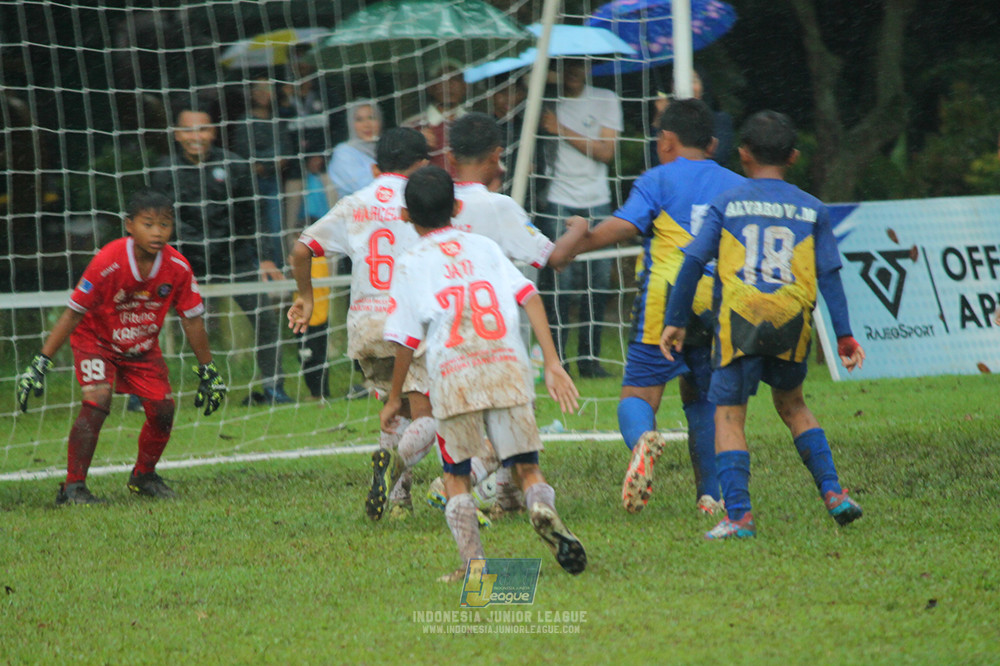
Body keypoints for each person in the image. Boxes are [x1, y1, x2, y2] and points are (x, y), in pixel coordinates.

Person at [660, 110, 866, 539]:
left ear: (743, 154)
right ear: (793, 156)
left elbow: (694, 261)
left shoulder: (728, 203)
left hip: (739, 319)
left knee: (730, 416)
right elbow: (829, 275)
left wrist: (676, 320)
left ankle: (739, 516)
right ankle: (835, 494)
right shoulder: (812, 209)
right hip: (792, 318)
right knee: (793, 406)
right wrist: (844, 335)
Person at [379, 165, 586, 581]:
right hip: (508, 364)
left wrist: (394, 396)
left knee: (455, 476)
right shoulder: (484, 247)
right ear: (457, 207)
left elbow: (403, 340)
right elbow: (529, 296)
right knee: (527, 467)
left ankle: (473, 567)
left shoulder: (410, 263)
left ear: (405, 217)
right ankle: (541, 506)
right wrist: (552, 362)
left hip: (454, 372)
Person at [551, 98, 745, 516]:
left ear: (667, 141)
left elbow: (623, 227)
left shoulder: (657, 179)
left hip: (665, 299)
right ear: (711, 143)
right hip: (717, 299)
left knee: (637, 396)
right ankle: (711, 495)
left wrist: (578, 241)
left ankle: (643, 439)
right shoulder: (733, 183)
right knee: (703, 402)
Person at [414, 111, 585, 514]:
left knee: (457, 425)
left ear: (450, 159)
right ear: (496, 156)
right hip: (502, 342)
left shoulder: (431, 205)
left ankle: (497, 493)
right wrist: (579, 228)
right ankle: (463, 482)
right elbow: (555, 258)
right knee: (509, 429)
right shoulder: (499, 208)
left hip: (447, 345)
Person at [15, 188, 227, 504]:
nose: (157, 232)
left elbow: (192, 319)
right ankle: (73, 487)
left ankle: (144, 476)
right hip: (96, 341)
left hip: (141, 347)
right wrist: (41, 362)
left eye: (165, 224)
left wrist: (208, 369)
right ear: (129, 225)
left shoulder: (177, 267)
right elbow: (74, 313)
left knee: (163, 410)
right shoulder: (109, 260)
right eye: (148, 223)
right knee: (98, 400)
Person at [287, 127, 434, 520]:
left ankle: (400, 502)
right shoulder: (424, 199)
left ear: (374, 167)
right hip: (409, 322)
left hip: (364, 324)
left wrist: (306, 297)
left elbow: (301, 249)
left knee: (393, 405)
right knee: (430, 417)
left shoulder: (355, 202)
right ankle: (394, 467)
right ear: (423, 166)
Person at [151, 102, 291, 405]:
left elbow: (254, 213)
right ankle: (142, 391)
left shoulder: (234, 165)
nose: (196, 136)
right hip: (185, 262)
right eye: (188, 129)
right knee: (149, 318)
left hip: (234, 258)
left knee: (264, 317)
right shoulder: (164, 170)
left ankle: (274, 387)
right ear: (177, 134)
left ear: (212, 132)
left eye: (202, 128)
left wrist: (265, 256)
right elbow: (157, 221)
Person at [537, 58, 623, 378]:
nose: (573, 73)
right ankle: (557, 361)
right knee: (562, 285)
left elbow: (605, 151)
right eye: (566, 67)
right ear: (556, 69)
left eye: (580, 66)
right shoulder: (543, 101)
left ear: (588, 68)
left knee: (597, 283)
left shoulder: (605, 99)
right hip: (557, 201)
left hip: (598, 202)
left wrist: (560, 128)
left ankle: (589, 360)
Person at [230, 74, 292, 267]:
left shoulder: (278, 120)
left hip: (274, 181)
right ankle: (259, 269)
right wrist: (259, 165)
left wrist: (270, 165)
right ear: (251, 93)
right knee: (256, 226)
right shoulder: (244, 121)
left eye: (268, 89)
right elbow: (242, 152)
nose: (264, 94)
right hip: (252, 183)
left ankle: (279, 268)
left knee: (276, 227)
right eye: (260, 89)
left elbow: (286, 149)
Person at [647, 69, 735, 170]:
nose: (687, 86)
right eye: (678, 81)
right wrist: (659, 119)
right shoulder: (668, 124)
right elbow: (653, 161)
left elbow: (720, 156)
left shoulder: (720, 119)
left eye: (693, 81)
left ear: (703, 85)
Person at [403, 58, 468, 174]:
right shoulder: (412, 126)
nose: (449, 85)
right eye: (442, 79)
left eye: (455, 79)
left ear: (465, 86)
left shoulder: (475, 124)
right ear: (431, 87)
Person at [326, 99, 382, 197]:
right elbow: (364, 188)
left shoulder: (388, 147)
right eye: (359, 120)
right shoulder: (343, 152)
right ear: (350, 123)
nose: (367, 125)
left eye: (371, 118)